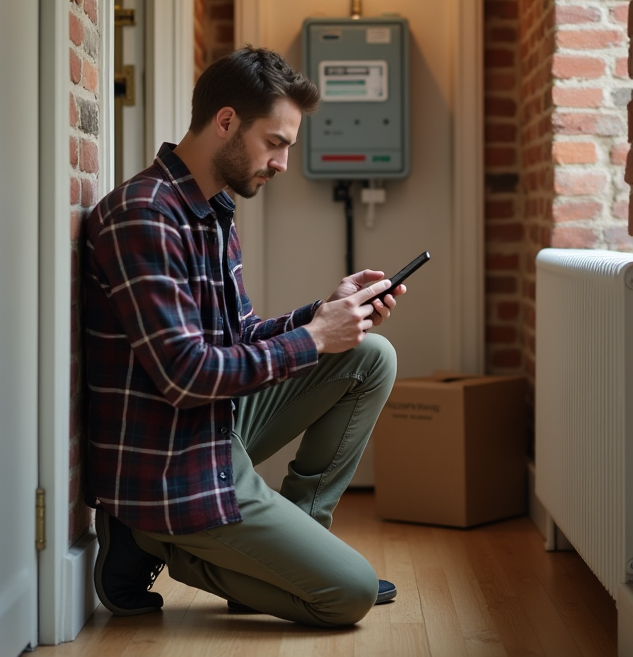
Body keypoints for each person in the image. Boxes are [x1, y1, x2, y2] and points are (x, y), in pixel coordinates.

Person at [82, 46, 404, 627]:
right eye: (274, 142)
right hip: (170, 462)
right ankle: (143, 536)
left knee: (369, 355)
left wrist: (325, 315)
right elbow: (186, 375)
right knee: (348, 595)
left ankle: (296, 543)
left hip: (215, 425)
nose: (282, 163)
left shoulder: (214, 210)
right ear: (226, 121)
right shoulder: (143, 215)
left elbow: (240, 336)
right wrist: (314, 338)